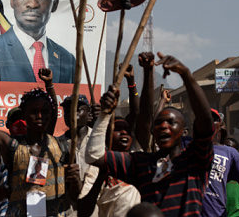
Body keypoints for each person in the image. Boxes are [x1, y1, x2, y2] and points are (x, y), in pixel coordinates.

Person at [86, 53, 214, 217]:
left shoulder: (195, 160)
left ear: (183, 130)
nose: (163, 127)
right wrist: (104, 115)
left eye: (170, 122)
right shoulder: (141, 163)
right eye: (158, 123)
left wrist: (186, 75)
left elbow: (205, 121)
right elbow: (93, 155)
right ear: (153, 131)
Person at [0, 65, 81, 217]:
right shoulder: (12, 146)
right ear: (24, 115)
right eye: (34, 112)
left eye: (44, 112)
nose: (39, 116)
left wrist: (75, 180)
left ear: (51, 115)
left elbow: (76, 196)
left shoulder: (61, 148)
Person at [200, 109, 239, 217]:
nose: (208, 123)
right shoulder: (187, 147)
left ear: (219, 126)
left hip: (217, 213)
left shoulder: (230, 153)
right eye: (204, 120)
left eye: (213, 120)